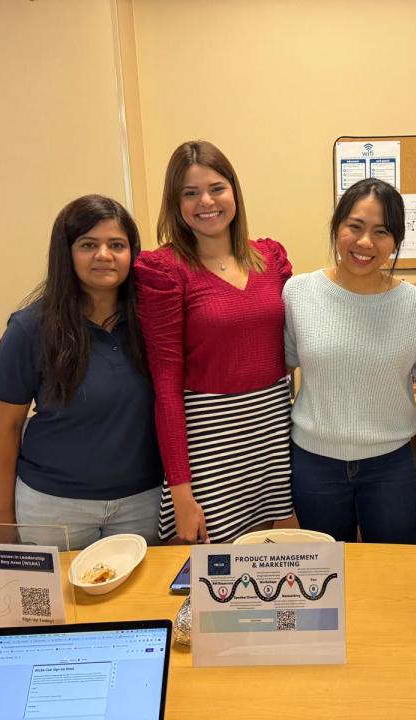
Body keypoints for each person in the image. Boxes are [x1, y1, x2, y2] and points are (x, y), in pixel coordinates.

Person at [134, 140, 293, 545]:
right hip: (209, 444)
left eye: (217, 188)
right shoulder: (165, 271)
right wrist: (182, 495)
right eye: (190, 193)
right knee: (214, 580)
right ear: (176, 203)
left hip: (271, 430)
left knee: (269, 568)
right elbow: (166, 390)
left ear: (234, 191)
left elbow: (311, 322)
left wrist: (384, 296)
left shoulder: (270, 259)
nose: (206, 201)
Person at [0, 195, 163, 549]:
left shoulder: (154, 322)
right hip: (54, 508)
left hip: (143, 502)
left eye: (117, 245)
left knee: (139, 604)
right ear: (66, 253)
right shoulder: (29, 328)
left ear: (133, 254)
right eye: (88, 245)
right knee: (62, 605)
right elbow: (4, 426)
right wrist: (0, 515)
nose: (104, 255)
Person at [283, 178, 416, 544]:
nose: (365, 242)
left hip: (390, 463)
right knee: (323, 575)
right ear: (337, 227)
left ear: (396, 241)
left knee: (393, 568)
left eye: (381, 231)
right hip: (313, 461)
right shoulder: (299, 292)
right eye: (354, 226)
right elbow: (283, 364)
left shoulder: (413, 304)